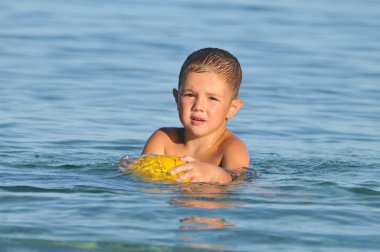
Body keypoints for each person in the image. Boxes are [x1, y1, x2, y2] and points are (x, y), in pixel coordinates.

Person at [142, 48, 250, 184]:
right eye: (190, 95)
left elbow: (239, 182)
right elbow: (144, 182)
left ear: (232, 108)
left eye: (212, 98)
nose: (198, 106)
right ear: (177, 99)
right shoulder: (163, 140)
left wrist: (215, 174)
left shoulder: (231, 148)